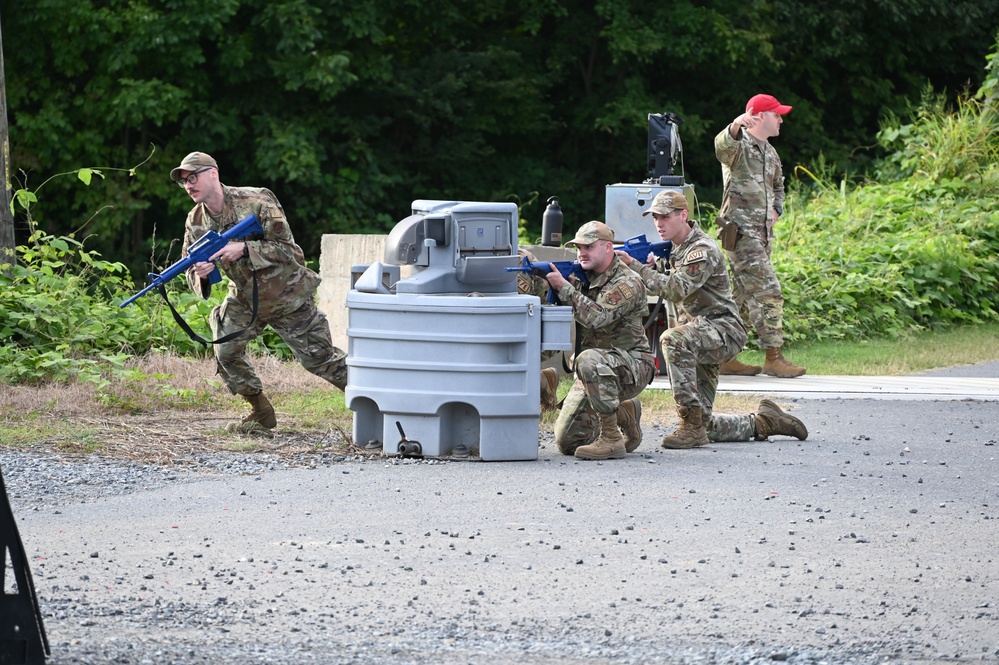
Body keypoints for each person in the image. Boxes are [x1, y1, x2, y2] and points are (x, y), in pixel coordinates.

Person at [170, 151, 348, 431]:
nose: (189, 185)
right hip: (246, 299)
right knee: (226, 351)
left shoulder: (255, 201)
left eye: (193, 177)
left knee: (320, 360)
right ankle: (260, 411)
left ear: (213, 173)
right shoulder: (195, 221)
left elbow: (287, 250)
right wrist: (202, 275)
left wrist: (243, 248)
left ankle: (378, 404)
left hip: (286, 295)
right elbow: (191, 266)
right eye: (184, 182)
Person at [616, 189, 807, 448]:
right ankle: (765, 422)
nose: (658, 223)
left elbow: (676, 289)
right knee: (705, 424)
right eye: (655, 218)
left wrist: (636, 267)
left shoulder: (701, 249)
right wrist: (650, 268)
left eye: (664, 216)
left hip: (722, 330)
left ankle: (690, 425)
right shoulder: (675, 249)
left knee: (672, 341)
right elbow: (665, 285)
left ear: (683, 215)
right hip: (697, 334)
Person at [543, 221, 654, 460]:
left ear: (607, 248)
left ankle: (612, 438)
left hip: (631, 365)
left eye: (588, 247)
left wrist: (564, 288)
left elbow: (597, 317)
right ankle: (624, 411)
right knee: (567, 442)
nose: (582, 253)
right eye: (578, 248)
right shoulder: (583, 277)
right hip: (594, 370)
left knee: (587, 358)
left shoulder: (628, 282)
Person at [713, 93, 806, 378]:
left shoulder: (770, 152)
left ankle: (724, 357)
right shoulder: (739, 145)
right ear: (758, 116)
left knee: (739, 299)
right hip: (741, 235)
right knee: (769, 291)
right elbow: (721, 149)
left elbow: (779, 187)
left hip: (763, 236)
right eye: (776, 114)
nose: (780, 119)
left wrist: (777, 209)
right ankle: (773, 357)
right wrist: (734, 125)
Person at [515, 246, 560, 412]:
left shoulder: (521, 260)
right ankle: (542, 380)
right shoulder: (455, 256)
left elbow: (545, 305)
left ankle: (539, 381)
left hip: (528, 336)